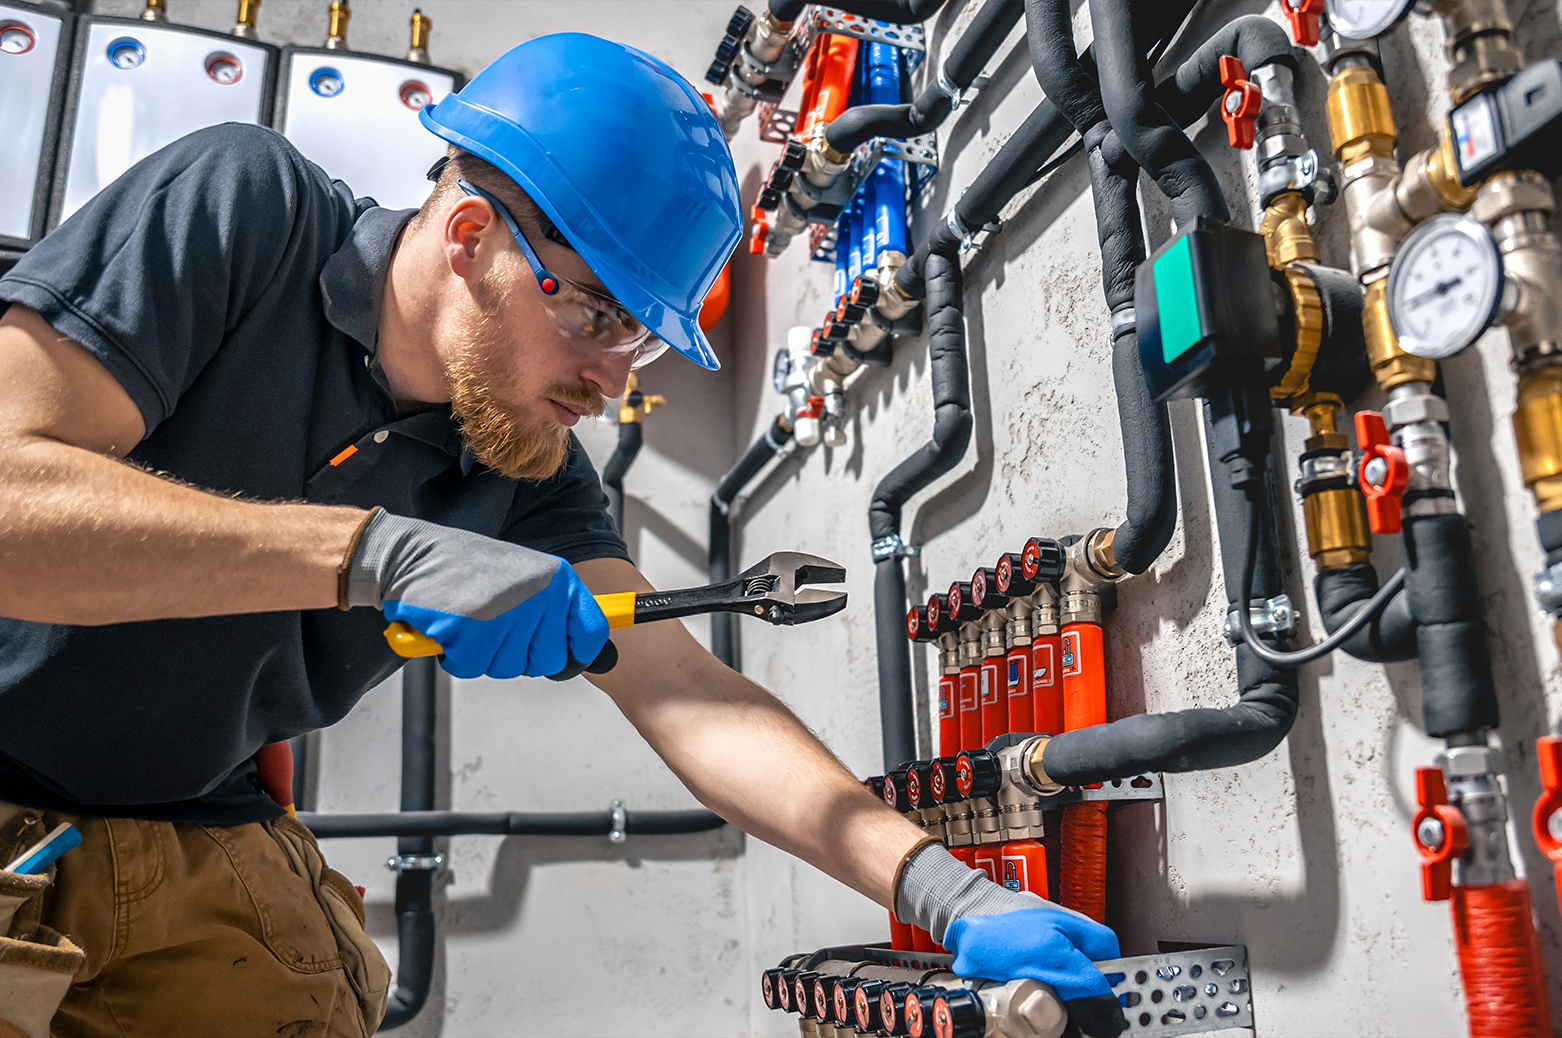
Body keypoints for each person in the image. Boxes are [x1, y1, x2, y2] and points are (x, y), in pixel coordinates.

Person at [0, 32, 1124, 1037]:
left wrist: (938, 889)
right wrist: (372, 555)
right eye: (592, 315)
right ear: (470, 233)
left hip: (191, 814)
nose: (607, 377)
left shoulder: (527, 468)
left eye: (636, 341)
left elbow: (690, 695)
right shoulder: (244, 211)